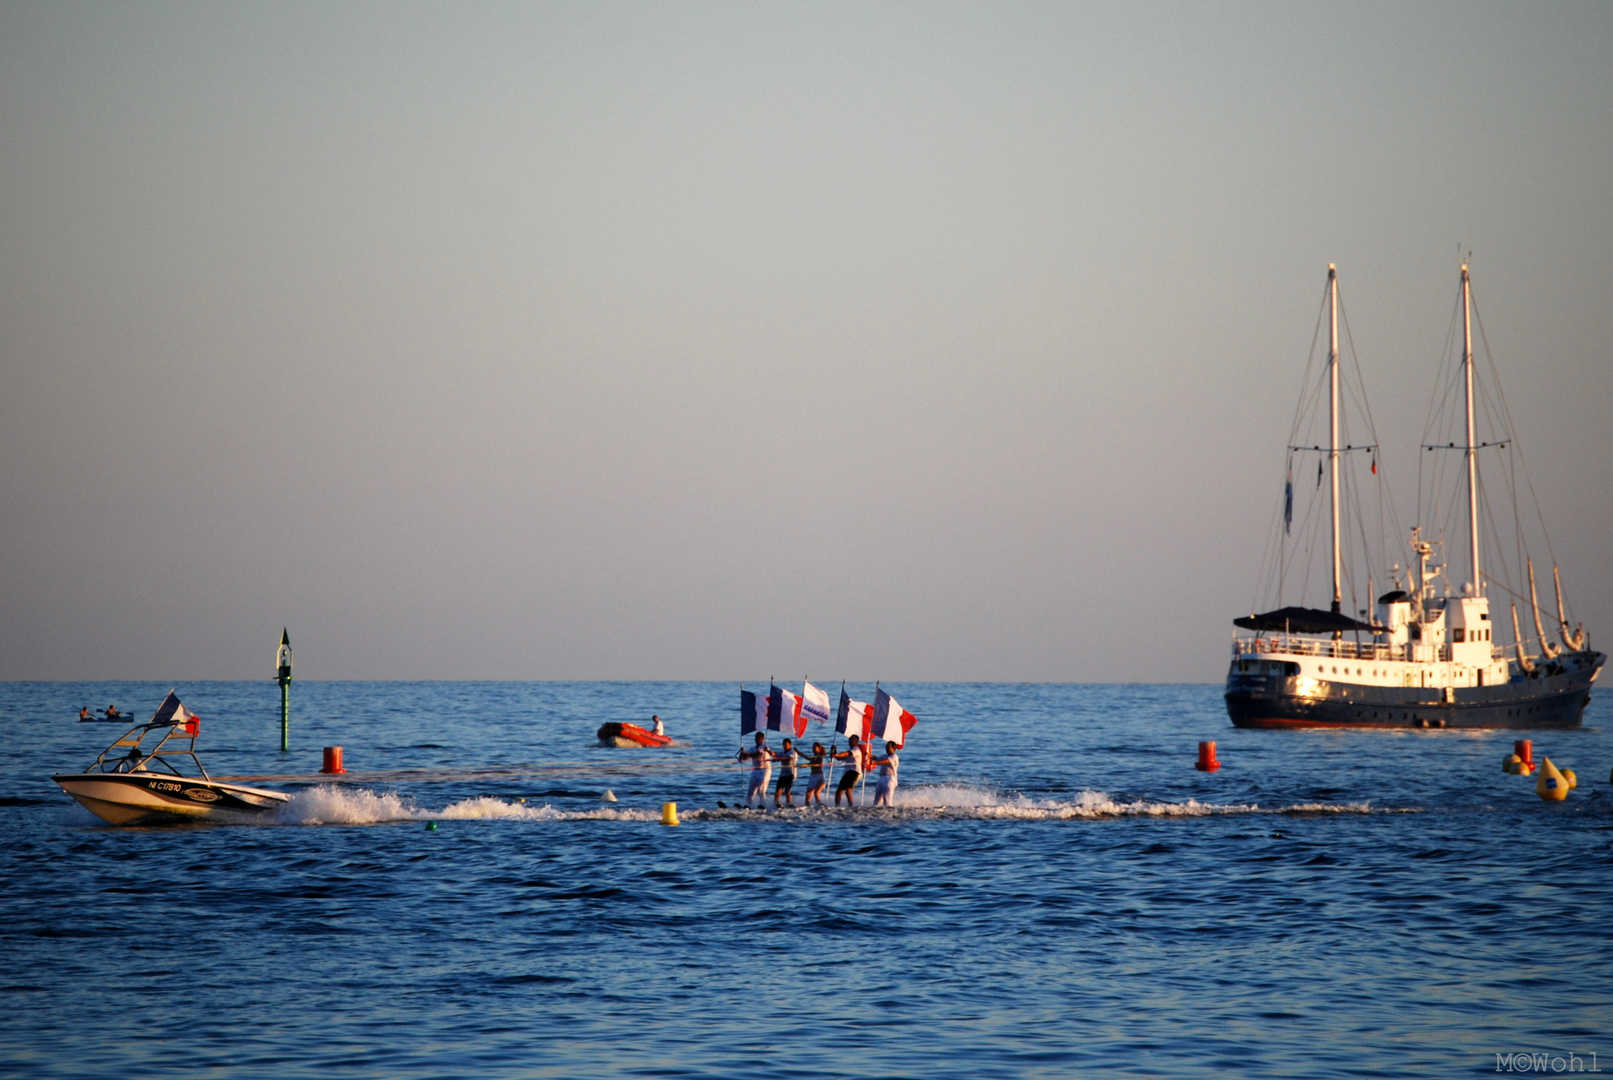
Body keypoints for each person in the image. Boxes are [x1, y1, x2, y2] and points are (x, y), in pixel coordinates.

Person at [738, 731, 771, 808]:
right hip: (755, 771)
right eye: (756, 738)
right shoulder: (752, 748)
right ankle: (748, 805)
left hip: (765, 770)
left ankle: (763, 805)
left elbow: (757, 754)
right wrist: (742, 752)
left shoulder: (765, 746)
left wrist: (747, 754)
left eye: (759, 738)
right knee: (750, 792)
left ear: (762, 739)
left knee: (761, 790)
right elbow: (742, 759)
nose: (757, 739)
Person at [833, 735, 865, 807]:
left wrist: (837, 754)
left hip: (855, 772)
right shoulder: (850, 750)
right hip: (848, 773)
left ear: (856, 742)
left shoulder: (856, 750)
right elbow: (838, 758)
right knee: (839, 791)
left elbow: (847, 753)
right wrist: (834, 752)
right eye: (849, 739)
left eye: (851, 740)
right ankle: (837, 806)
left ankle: (851, 807)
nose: (849, 741)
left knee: (848, 791)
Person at [871, 741, 900, 807]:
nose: (886, 749)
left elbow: (886, 761)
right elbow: (877, 758)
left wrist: (874, 763)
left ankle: (889, 814)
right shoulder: (884, 756)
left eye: (888, 747)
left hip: (890, 779)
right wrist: (868, 755)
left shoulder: (894, 756)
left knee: (887, 802)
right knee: (876, 801)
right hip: (881, 778)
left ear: (893, 748)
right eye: (886, 747)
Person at [772, 738, 799, 808]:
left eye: (786, 744)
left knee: (787, 790)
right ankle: (776, 804)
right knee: (777, 791)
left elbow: (788, 758)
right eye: (783, 744)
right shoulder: (782, 753)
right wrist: (768, 751)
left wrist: (779, 759)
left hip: (791, 774)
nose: (784, 746)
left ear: (790, 745)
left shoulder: (793, 752)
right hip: (783, 774)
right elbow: (774, 754)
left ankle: (789, 803)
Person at [802, 742, 829, 807]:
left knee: (816, 793)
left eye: (814, 747)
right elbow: (805, 756)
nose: (813, 749)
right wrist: (797, 751)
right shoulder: (813, 757)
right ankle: (808, 808)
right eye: (812, 747)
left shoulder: (820, 756)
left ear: (819, 749)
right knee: (807, 796)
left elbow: (814, 763)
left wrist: (807, 764)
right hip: (812, 777)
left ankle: (821, 806)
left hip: (819, 777)